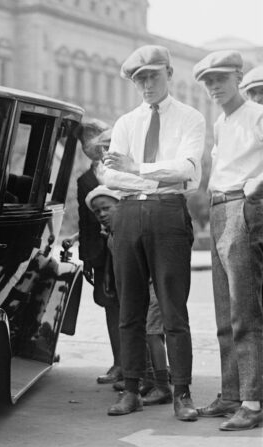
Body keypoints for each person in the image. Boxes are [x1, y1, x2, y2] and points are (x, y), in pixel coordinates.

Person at [101, 45, 205, 421]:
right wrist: (146, 171)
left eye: (152, 76)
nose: (146, 84)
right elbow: (110, 175)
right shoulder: (127, 122)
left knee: (173, 308)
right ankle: (131, 390)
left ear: (169, 73)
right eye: (139, 78)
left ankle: (182, 394)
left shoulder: (191, 118)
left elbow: (187, 170)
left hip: (169, 213)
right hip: (128, 212)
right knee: (130, 307)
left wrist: (137, 166)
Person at [193, 50, 263, 431]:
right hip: (220, 207)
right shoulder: (221, 123)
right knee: (223, 311)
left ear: (238, 77)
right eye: (207, 81)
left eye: (220, 78)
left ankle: (252, 402)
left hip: (243, 206)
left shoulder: (257, 114)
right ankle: (232, 394)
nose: (214, 87)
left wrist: (257, 185)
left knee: (244, 310)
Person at [71, 120, 122, 385]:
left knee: (137, 305)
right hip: (101, 256)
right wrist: (87, 258)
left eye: (93, 137)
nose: (89, 145)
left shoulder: (122, 171)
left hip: (125, 248)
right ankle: (119, 363)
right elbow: (84, 220)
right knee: (110, 306)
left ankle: (148, 365)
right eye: (84, 140)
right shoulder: (84, 180)